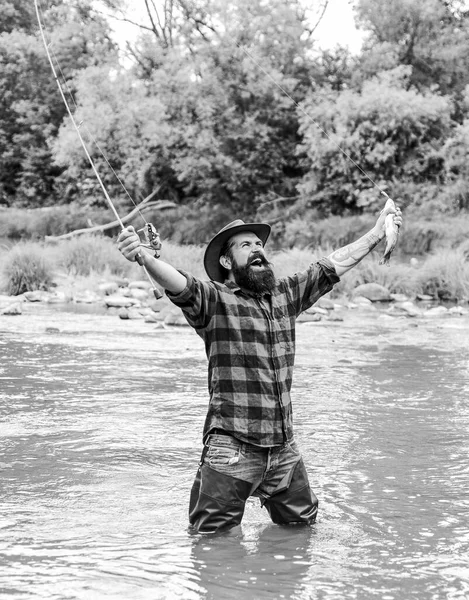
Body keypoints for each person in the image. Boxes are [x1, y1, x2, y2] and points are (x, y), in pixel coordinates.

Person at [117, 201, 402, 534]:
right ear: (227, 261)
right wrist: (144, 257)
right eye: (245, 245)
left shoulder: (284, 294)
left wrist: (377, 231)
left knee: (301, 531)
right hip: (231, 450)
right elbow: (181, 286)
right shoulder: (215, 301)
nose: (257, 250)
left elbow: (331, 266)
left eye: (259, 245)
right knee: (215, 545)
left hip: (283, 450)